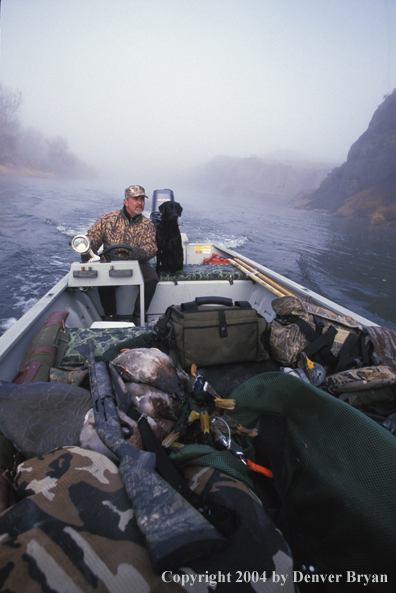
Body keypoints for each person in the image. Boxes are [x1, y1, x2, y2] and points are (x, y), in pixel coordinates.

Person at [87, 185, 159, 324]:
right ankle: (110, 316)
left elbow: (152, 246)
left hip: (135, 262)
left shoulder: (147, 224)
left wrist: (142, 252)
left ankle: (138, 316)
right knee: (102, 275)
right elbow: (92, 237)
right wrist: (89, 248)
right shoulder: (107, 219)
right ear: (126, 201)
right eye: (136, 199)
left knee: (152, 278)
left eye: (142, 199)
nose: (140, 203)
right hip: (111, 261)